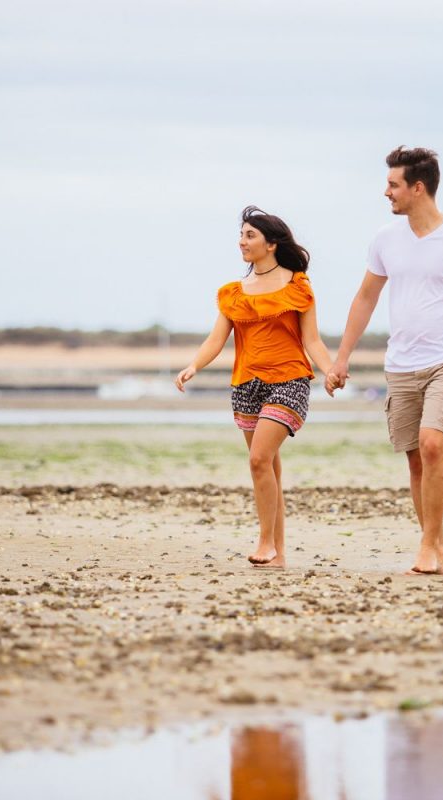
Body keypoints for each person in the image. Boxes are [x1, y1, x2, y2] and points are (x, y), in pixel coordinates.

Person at [326, 147, 443, 575]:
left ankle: (429, 545)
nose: (386, 192)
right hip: (401, 365)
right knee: (415, 458)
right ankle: (436, 542)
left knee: (433, 443)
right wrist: (341, 358)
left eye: (393, 185)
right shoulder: (385, 240)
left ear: (418, 187)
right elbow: (366, 298)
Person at [176, 206, 334, 569]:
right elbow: (215, 340)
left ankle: (264, 541)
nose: (242, 242)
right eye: (241, 235)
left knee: (259, 459)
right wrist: (193, 365)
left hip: (290, 380)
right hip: (246, 384)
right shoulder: (234, 293)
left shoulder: (298, 286)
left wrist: (329, 370)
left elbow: (312, 341)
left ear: (272, 244)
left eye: (250, 236)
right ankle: (277, 553)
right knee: (269, 468)